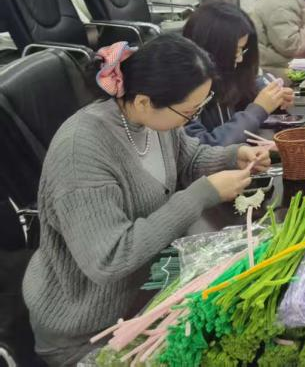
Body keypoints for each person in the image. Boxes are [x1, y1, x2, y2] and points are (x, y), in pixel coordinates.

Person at [22, 36, 269, 365]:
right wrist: (201, 194)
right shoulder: (80, 152)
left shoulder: (150, 119)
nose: (191, 119)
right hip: (89, 329)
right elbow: (110, 259)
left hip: (147, 291)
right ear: (142, 101)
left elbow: (188, 158)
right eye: (189, 112)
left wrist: (232, 156)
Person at [182, 2, 296, 145]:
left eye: (243, 49)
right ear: (213, 49)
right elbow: (205, 146)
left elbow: (251, 82)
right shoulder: (182, 95)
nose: (240, 58)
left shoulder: (230, 73)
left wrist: (272, 97)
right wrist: (258, 109)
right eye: (235, 51)